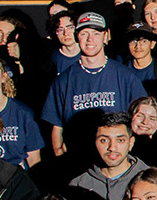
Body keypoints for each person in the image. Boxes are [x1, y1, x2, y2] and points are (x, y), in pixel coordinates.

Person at [40, 11, 145, 158]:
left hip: (116, 160)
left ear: (106, 36)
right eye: (84, 33)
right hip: (78, 162)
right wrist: (60, 157)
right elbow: (57, 127)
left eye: (96, 33)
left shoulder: (126, 76)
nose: (90, 39)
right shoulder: (63, 81)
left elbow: (141, 120)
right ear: (77, 36)